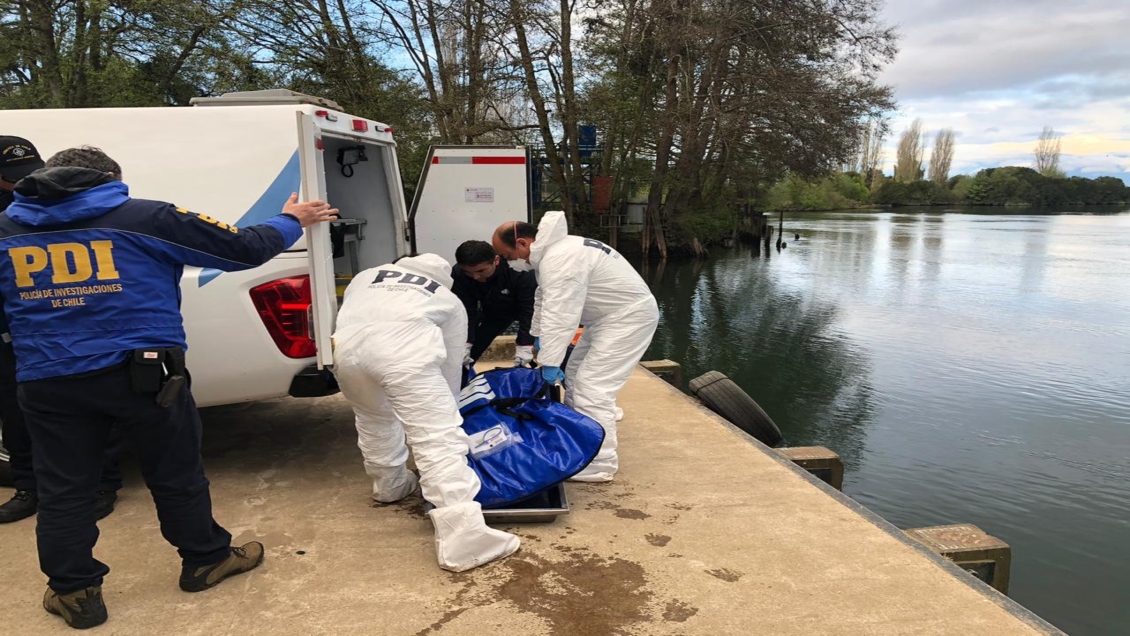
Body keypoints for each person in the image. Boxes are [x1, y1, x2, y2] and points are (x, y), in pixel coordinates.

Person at [0, 146, 338, 629]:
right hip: (144, 375)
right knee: (174, 471)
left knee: (65, 487)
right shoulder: (144, 216)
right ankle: (205, 559)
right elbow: (242, 248)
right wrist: (292, 220)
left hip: (49, 379)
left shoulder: (6, 229)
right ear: (112, 178)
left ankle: (74, 592)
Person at [332, 253, 520, 572]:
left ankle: (389, 486)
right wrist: (448, 407)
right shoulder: (446, 298)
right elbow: (449, 364)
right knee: (437, 438)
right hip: (406, 360)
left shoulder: (367, 276)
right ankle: (465, 540)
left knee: (374, 421)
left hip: (348, 357)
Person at [0, 136, 123, 524]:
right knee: (15, 415)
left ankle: (103, 484)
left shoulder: (50, 198)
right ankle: (28, 487)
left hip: (60, 322)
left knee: (95, 409)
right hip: (10, 330)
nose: (24, 181)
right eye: (11, 177)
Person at [492, 212, 659, 483]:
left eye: (510, 256)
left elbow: (562, 314)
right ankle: (580, 435)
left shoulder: (561, 258)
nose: (515, 263)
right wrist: (538, 336)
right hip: (607, 318)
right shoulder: (559, 250)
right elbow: (544, 297)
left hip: (627, 318)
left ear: (522, 243)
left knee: (593, 389)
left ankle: (599, 462)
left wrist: (550, 361)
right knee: (575, 377)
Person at [451, 240, 537, 369]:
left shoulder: (519, 269)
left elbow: (529, 310)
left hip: (529, 310)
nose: (475, 277)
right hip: (494, 313)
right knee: (463, 356)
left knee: (549, 353)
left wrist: (525, 344)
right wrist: (466, 341)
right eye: (469, 272)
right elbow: (466, 310)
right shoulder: (459, 273)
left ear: (496, 260)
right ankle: (462, 382)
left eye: (481, 271)